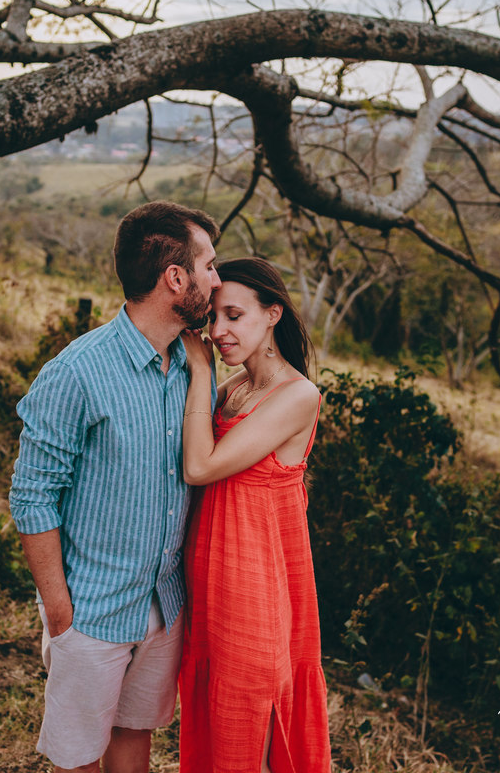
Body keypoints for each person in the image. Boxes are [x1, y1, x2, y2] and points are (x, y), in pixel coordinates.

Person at [8, 201, 221, 773]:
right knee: (79, 757)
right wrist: (59, 610)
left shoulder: (194, 368)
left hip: (163, 605)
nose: (217, 280)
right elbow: (32, 495)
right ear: (175, 278)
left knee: (134, 737)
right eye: (210, 265)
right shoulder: (76, 373)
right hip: (92, 611)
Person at [178, 257, 331, 773]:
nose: (218, 332)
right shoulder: (236, 389)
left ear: (273, 314)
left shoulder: (297, 395)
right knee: (221, 722)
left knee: (254, 721)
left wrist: (199, 370)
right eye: (213, 318)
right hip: (212, 581)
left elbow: (200, 466)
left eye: (234, 316)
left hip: (254, 590)